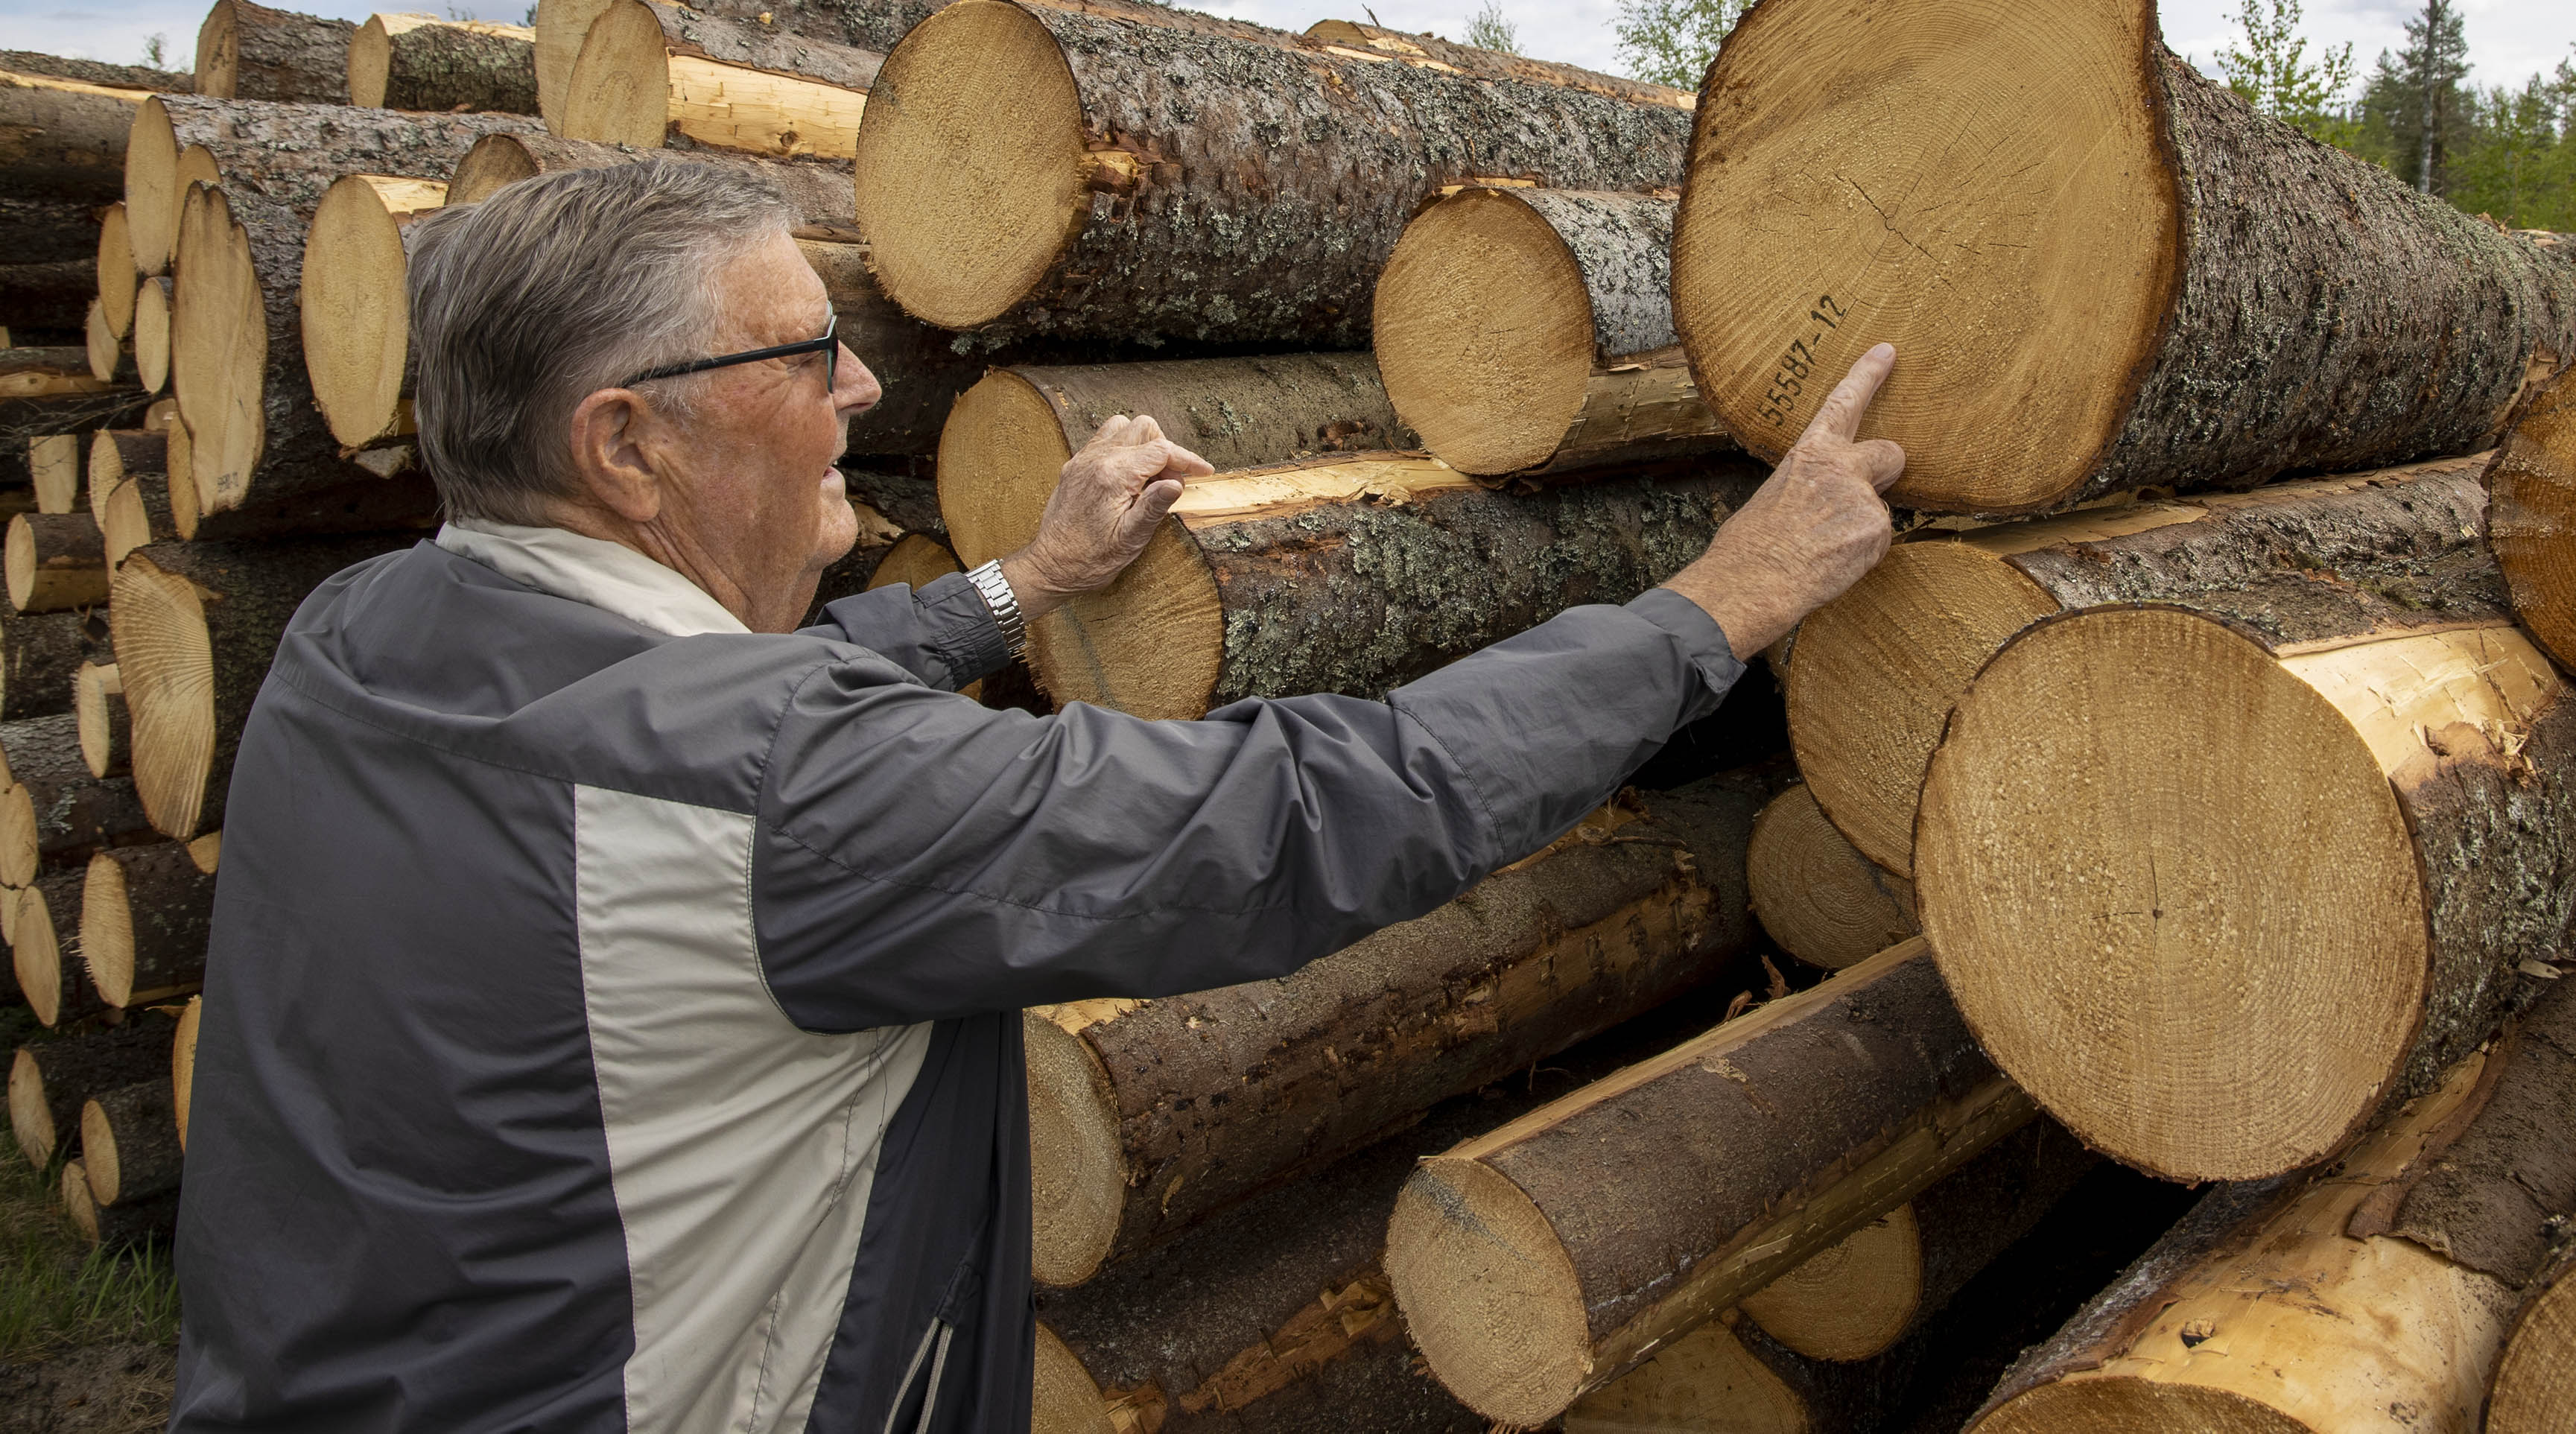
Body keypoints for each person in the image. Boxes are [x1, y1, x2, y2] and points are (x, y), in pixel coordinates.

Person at [168, 161, 1904, 1433]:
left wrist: (1024, 580)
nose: (857, 387)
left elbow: (741, 708)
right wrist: (1722, 602)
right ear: (628, 446)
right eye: (801, 353)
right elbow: (1315, 811)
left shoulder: (364, 637)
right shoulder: (782, 804)